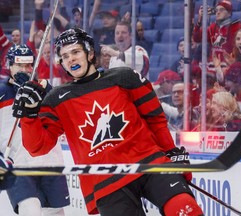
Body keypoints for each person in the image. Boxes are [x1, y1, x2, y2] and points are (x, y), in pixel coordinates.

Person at [12, 28, 204, 216]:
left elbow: (155, 120)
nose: (70, 59)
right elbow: (37, 147)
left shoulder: (124, 77)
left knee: (185, 209)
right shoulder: (56, 99)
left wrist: (170, 152)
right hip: (105, 181)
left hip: (149, 163)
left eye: (76, 52)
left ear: (90, 53)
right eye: (64, 56)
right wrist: (29, 117)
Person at [0, 44, 70, 215]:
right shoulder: (1, 92)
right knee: (29, 209)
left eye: (28, 65)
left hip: (50, 162)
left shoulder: (44, 89)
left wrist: (41, 88)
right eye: (19, 65)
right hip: (17, 165)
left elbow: (62, 112)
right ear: (8, 65)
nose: (25, 70)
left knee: (55, 212)